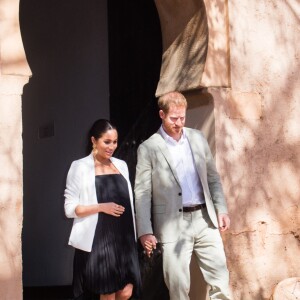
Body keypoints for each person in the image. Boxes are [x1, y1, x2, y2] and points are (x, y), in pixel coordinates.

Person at [134, 91, 231, 300]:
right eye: (173, 118)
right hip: (172, 225)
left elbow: (213, 178)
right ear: (161, 114)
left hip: (206, 219)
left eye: (182, 117)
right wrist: (144, 230)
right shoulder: (148, 148)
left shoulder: (197, 138)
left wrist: (221, 209)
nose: (179, 123)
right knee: (178, 287)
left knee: (221, 280)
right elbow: (142, 192)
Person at [64, 119, 141, 300]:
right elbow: (69, 208)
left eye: (114, 142)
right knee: (107, 293)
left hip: (125, 239)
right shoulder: (80, 167)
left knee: (127, 291)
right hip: (100, 240)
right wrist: (101, 207)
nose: (112, 146)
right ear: (93, 140)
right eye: (107, 141)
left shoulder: (121, 165)